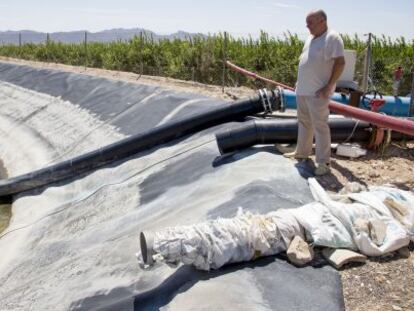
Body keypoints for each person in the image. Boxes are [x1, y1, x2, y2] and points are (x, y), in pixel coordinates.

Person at [284, 10, 345, 176]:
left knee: (320, 126)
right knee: (304, 123)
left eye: (310, 22)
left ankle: (323, 162)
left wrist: (329, 86)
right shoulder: (310, 39)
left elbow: (340, 63)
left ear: (322, 21)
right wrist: (299, 84)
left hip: (318, 93)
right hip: (303, 90)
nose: (307, 26)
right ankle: (302, 153)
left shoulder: (332, 38)